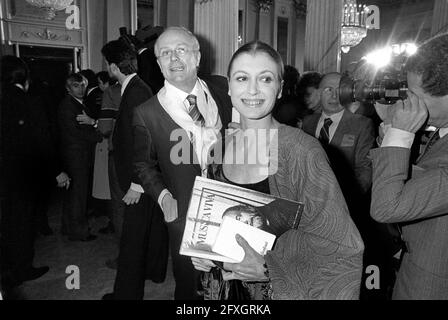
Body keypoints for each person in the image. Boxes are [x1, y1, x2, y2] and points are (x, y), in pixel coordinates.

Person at [191, 41, 364, 300]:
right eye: (242, 78)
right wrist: (203, 250)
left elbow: (342, 247)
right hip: (225, 291)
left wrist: (268, 269)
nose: (252, 89)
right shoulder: (220, 145)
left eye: (265, 79)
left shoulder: (301, 151)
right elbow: (216, 220)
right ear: (229, 86)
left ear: (280, 88)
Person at [132, 26, 233, 300]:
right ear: (158, 63)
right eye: (165, 53)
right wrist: (164, 197)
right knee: (192, 286)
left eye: (181, 50)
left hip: (232, 206)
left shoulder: (223, 90)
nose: (174, 58)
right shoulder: (147, 113)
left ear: (197, 57)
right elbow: (143, 165)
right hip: (184, 215)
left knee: (232, 281)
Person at [370, 33, 448, 300]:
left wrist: (400, 134)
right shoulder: (440, 131)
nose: (409, 103)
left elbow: (387, 206)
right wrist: (393, 128)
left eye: (416, 96)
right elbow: (412, 180)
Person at [101, 39, 168, 300]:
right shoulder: (136, 87)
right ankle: (155, 271)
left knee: (132, 239)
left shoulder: (137, 91)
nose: (107, 67)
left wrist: (137, 185)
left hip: (140, 178)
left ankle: (125, 295)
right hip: (144, 176)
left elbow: (145, 139)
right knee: (150, 229)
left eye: (108, 63)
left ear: (114, 66)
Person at [1, 56, 69, 288]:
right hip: (24, 174)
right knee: (22, 223)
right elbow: (43, 141)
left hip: (5, 175)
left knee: (8, 221)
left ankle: (9, 267)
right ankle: (22, 269)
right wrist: (57, 171)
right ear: (24, 77)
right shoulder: (29, 102)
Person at [57, 73, 103, 242]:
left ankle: (68, 228)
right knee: (78, 194)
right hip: (76, 155)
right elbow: (75, 133)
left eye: (83, 85)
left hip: (76, 154)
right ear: (68, 88)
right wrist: (98, 135)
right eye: (76, 85)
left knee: (73, 194)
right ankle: (79, 232)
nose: (81, 89)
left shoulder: (77, 103)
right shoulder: (68, 106)